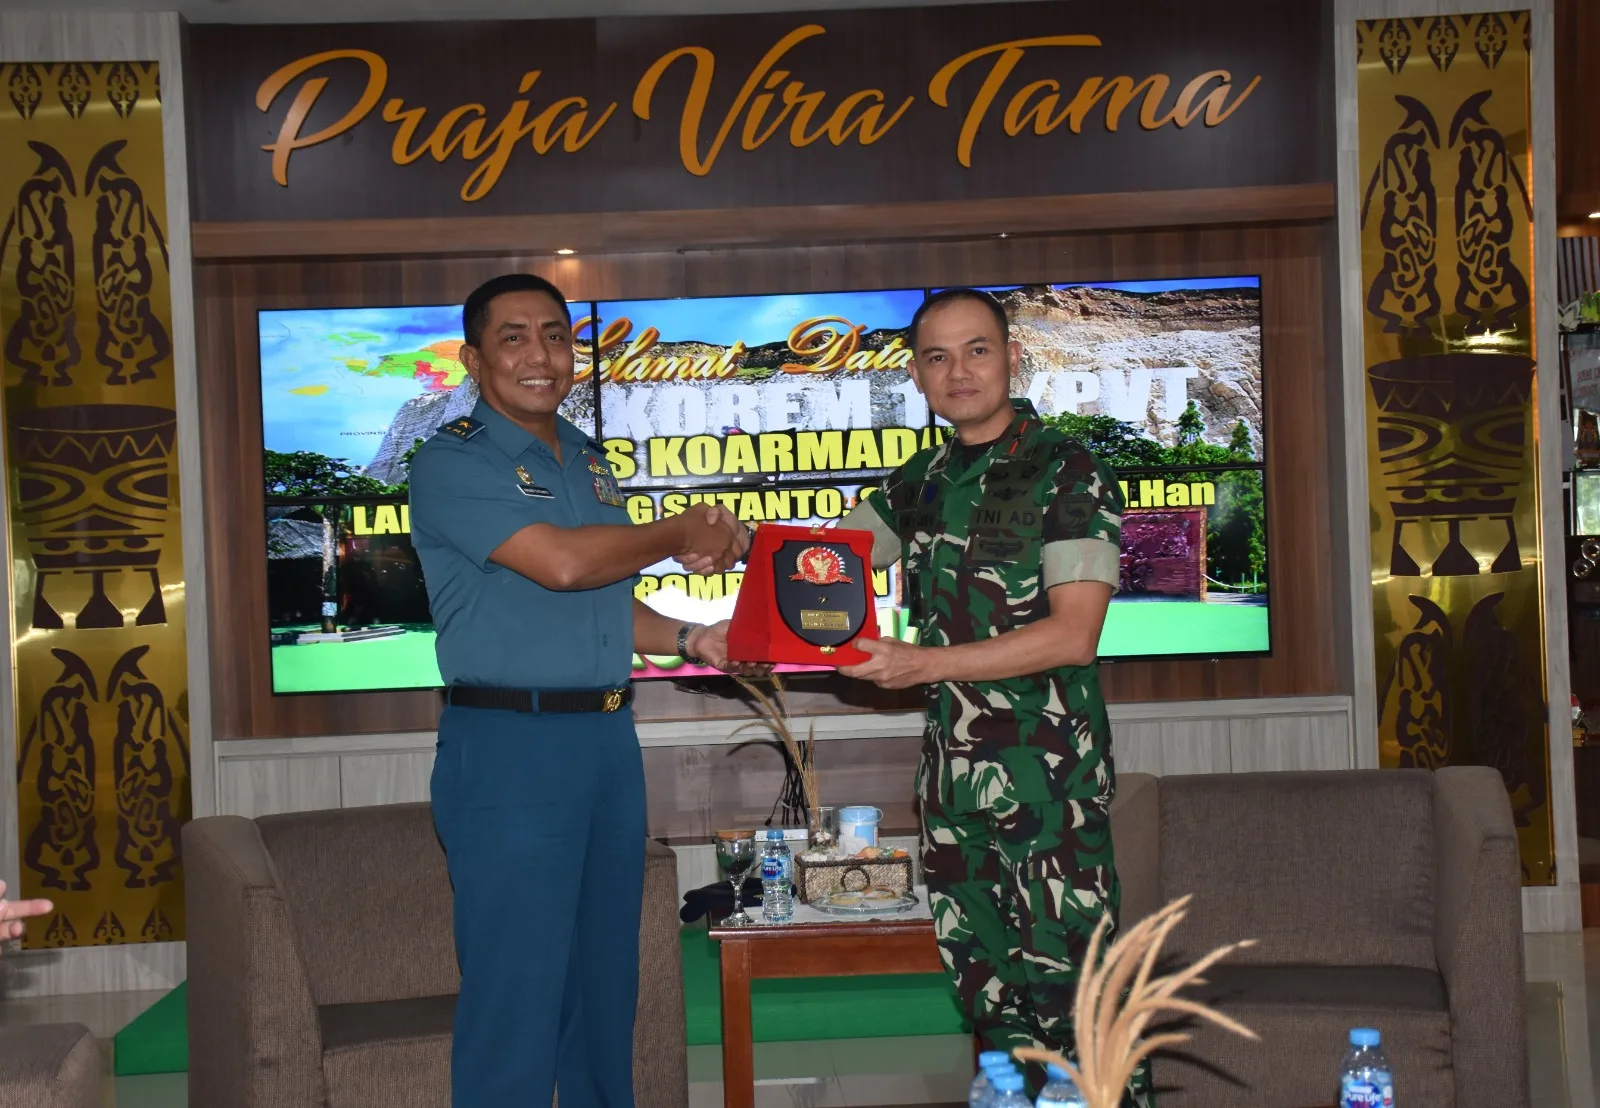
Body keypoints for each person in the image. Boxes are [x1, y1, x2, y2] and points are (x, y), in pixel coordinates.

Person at [408, 273, 750, 1108]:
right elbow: (562, 565)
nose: (540, 354)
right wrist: (680, 529)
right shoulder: (452, 460)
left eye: (555, 336)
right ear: (474, 360)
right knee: (517, 993)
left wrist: (691, 638)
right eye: (514, 337)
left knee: (604, 988)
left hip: (605, 745)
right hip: (509, 749)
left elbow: (601, 597)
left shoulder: (588, 459)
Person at [834, 288, 1149, 1106]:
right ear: (916, 375)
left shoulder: (1066, 468)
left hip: (1046, 791)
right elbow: (822, 562)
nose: (959, 370)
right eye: (937, 356)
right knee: (992, 1007)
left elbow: (1073, 635)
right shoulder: (923, 479)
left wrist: (923, 664)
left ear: (1012, 357)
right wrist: (725, 545)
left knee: (1079, 1009)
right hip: (953, 789)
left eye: (977, 349)